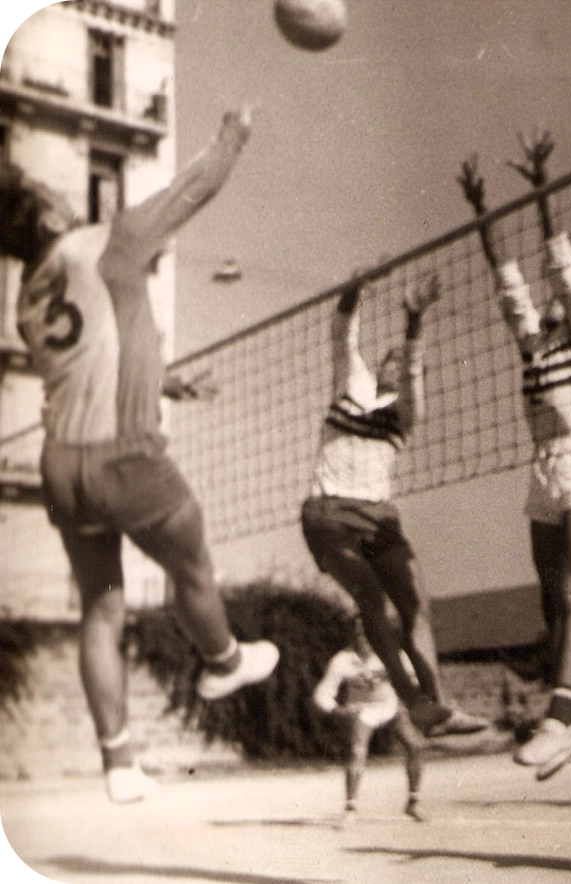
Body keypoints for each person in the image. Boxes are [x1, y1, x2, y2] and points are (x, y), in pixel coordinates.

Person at [1, 108, 280, 805]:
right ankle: (223, 660)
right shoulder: (113, 239)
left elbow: (96, 353)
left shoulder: (27, 299)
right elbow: (195, 188)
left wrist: (165, 379)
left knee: (101, 607)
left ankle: (117, 760)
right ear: (43, 208)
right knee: (192, 560)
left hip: (61, 465)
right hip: (125, 455)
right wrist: (234, 135)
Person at [457, 131, 571, 779]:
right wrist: (480, 211)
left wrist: (540, 187)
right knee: (552, 602)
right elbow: (509, 283)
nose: (552, 304)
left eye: (567, 301)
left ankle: (560, 712)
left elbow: (557, 264)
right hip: (542, 467)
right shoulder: (534, 344)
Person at [301, 274, 488, 738]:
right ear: (380, 363)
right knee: (374, 601)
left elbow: (413, 370)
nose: (400, 365)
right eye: (394, 358)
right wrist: (356, 286)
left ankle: (439, 705)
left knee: (417, 605)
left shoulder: (407, 412)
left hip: (380, 517)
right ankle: (413, 700)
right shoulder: (353, 384)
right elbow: (343, 332)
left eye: (407, 364)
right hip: (329, 513)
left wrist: (414, 322)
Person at [313, 617, 425, 824]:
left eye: (368, 632)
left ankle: (413, 802)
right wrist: (339, 710)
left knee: (416, 745)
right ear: (352, 635)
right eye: (358, 633)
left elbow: (413, 681)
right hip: (363, 711)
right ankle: (351, 808)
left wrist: (406, 695)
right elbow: (322, 694)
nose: (363, 637)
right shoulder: (342, 660)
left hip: (391, 707)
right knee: (357, 751)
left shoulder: (392, 655)